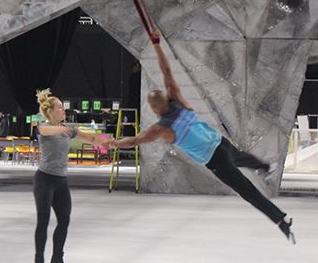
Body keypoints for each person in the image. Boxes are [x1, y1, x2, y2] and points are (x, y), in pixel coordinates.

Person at [105, 29, 296, 244]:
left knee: (246, 190)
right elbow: (166, 71)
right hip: (221, 144)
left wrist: (114, 144)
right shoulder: (176, 99)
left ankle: (280, 219)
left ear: (154, 107)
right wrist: (157, 43)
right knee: (241, 157)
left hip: (215, 160)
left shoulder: (160, 129)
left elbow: (134, 141)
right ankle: (262, 167)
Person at [32, 88, 109, 263]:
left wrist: (108, 142)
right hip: (44, 180)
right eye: (59, 108)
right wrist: (66, 129)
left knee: (64, 220)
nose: (63, 110)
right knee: (43, 220)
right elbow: (46, 130)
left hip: (61, 182)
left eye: (63, 108)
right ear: (50, 111)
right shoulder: (43, 127)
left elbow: (91, 138)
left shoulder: (68, 130)